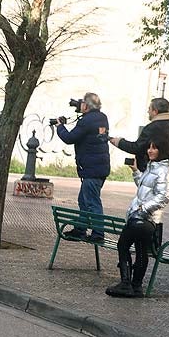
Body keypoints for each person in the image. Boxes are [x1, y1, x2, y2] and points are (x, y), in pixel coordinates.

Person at [104, 141, 169, 298]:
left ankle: (125, 284)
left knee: (123, 245)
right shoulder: (152, 166)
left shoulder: (163, 170)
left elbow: (164, 196)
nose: (150, 150)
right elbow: (144, 189)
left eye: (155, 147)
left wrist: (143, 209)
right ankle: (136, 286)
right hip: (143, 218)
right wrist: (136, 171)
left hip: (145, 218)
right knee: (141, 250)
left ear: (162, 150)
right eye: (149, 147)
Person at [54, 92, 110, 241]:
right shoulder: (102, 118)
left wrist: (60, 126)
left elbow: (69, 138)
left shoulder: (86, 121)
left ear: (85, 105)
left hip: (92, 169)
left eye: (81, 103)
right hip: (99, 168)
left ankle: (98, 234)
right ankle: (81, 229)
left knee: (92, 202)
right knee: (84, 201)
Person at [110, 97, 169, 172]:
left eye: (149, 109)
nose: (148, 111)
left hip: (151, 171)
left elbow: (137, 148)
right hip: (168, 171)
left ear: (155, 111)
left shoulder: (151, 128)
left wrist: (119, 142)